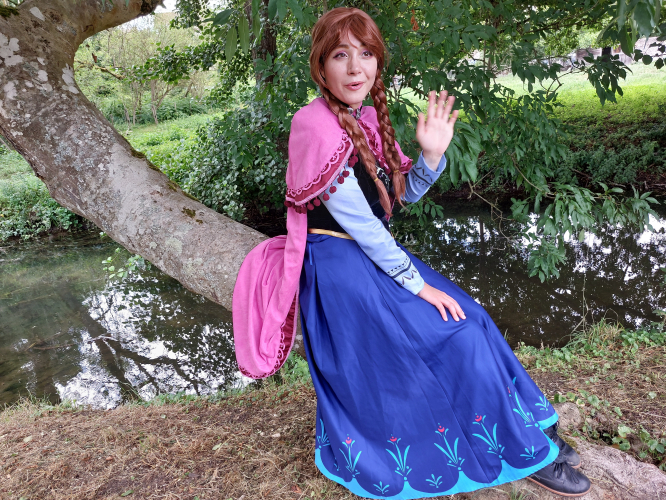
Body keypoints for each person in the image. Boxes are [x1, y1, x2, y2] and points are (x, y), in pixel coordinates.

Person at [232, 7, 591, 499]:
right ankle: (521, 451)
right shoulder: (312, 124)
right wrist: (419, 286)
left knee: (473, 317)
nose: (355, 68)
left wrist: (432, 155)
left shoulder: (364, 118)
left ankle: (526, 432)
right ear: (321, 66)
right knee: (457, 334)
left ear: (378, 63)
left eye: (366, 54)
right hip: (340, 268)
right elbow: (363, 225)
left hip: (369, 255)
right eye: (340, 55)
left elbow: (396, 199)